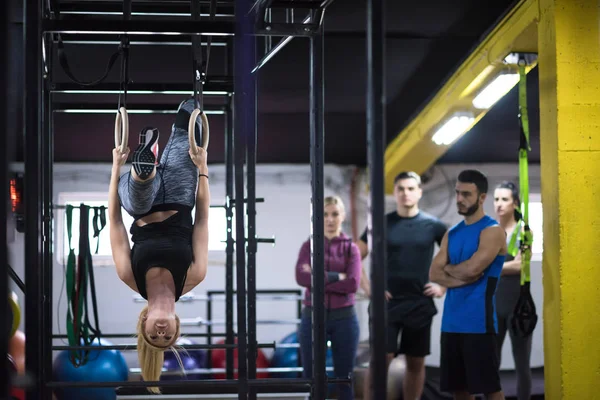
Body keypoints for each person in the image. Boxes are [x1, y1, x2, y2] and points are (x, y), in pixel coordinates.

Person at [108, 98, 210, 392]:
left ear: (144, 325)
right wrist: (202, 168)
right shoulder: (193, 275)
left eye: (155, 336)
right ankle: (147, 162)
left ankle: (144, 166)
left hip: (142, 204)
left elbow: (115, 223)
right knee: (191, 109)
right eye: (168, 337)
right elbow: (202, 221)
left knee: (140, 191)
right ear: (178, 325)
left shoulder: (131, 276)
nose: (162, 333)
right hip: (180, 194)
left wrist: (116, 167)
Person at [358, 171, 447, 400]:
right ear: (395, 193)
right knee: (381, 361)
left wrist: (443, 287)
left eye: (410, 188)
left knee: (415, 362)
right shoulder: (380, 223)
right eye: (401, 189)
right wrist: (370, 290)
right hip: (386, 304)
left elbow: (456, 257)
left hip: (419, 303)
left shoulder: (433, 225)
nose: (405, 193)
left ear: (419, 191)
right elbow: (354, 256)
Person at [429, 169, 506, 400]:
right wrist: (456, 272)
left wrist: (449, 270)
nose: (459, 199)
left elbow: (473, 269)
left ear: (482, 197)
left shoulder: (492, 231)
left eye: (466, 194)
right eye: (457, 193)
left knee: (490, 388)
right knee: (458, 389)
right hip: (451, 324)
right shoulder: (452, 233)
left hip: (479, 324)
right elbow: (434, 272)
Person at [295, 195, 362, 400]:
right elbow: (301, 277)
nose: (330, 219)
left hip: (345, 318)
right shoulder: (309, 247)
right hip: (313, 316)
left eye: (334, 214)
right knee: (313, 378)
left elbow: (352, 284)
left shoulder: (351, 248)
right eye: (325, 214)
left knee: (344, 378)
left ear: (342, 216)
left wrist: (317, 278)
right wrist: (336, 277)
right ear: (317, 217)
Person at [493, 181, 532, 400]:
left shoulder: (523, 231)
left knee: (522, 363)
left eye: (504, 199)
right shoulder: (489, 231)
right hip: (494, 305)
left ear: (515, 203)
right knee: (491, 362)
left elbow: (521, 265)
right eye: (496, 199)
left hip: (519, 306)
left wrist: (493, 267)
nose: (499, 204)